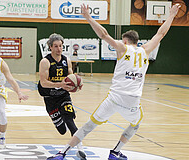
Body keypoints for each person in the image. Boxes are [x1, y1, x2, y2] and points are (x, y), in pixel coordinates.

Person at [47, 3, 181, 160]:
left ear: (125, 41)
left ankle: (62, 153)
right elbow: (161, 33)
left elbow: (103, 34)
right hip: (132, 101)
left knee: (89, 126)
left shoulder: (122, 48)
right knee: (135, 124)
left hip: (114, 98)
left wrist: (88, 17)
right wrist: (171, 14)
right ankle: (116, 151)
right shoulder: (146, 50)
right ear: (137, 41)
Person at [38, 33, 86, 159]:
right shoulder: (45, 61)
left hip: (63, 96)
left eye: (60, 46)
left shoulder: (67, 60)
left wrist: (77, 84)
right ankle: (60, 122)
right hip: (50, 98)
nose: (59, 49)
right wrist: (60, 84)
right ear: (50, 47)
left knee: (69, 119)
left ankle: (81, 149)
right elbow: (43, 83)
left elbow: (72, 77)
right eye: (56, 46)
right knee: (62, 130)